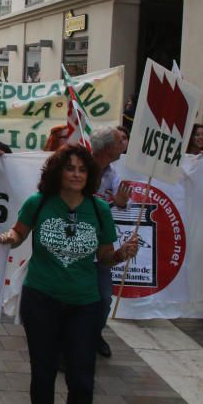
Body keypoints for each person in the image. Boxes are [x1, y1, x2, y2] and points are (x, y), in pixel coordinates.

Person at [0, 145, 138, 404]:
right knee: (43, 376)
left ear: (90, 176)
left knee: (82, 381)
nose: (76, 174)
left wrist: (121, 254)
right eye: (70, 168)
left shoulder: (99, 209)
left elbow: (103, 256)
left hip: (85, 305)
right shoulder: (39, 203)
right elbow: (18, 234)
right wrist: (7, 237)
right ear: (58, 171)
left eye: (82, 170)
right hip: (42, 300)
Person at [88, 126, 131, 359]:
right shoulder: (81, 168)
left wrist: (121, 203)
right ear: (107, 148)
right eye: (118, 142)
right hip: (76, 244)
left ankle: (95, 334)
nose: (122, 146)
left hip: (101, 246)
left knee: (104, 298)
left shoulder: (113, 174)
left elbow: (122, 202)